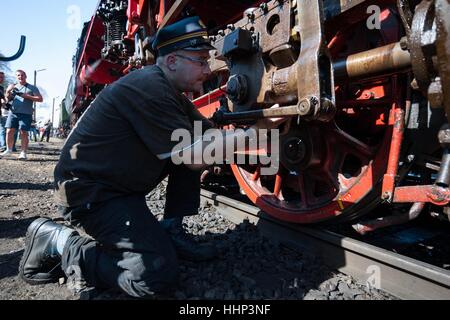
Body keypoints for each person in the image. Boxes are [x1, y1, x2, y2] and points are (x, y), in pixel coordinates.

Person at [19, 16, 283, 298]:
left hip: (119, 186)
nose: (208, 69)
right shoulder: (149, 86)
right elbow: (194, 157)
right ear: (171, 61)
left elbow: (210, 135)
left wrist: (261, 120)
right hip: (90, 194)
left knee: (194, 139)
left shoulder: (172, 93)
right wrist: (256, 133)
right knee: (153, 277)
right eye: (201, 60)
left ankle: (171, 230)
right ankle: (60, 241)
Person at [0, 70, 43, 160]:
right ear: (16, 77)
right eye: (18, 75)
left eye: (22, 75)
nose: (20, 77)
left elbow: (40, 99)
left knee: (23, 132)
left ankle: (23, 153)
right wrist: (8, 91)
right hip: (13, 112)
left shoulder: (32, 87)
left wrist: (27, 96)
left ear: (26, 76)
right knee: (9, 131)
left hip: (26, 113)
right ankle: (9, 149)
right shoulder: (13, 86)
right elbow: (8, 99)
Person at [0, 71, 7, 151]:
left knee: (2, 129)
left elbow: (3, 98)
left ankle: (2, 146)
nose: (1, 79)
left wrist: (4, 102)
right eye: (0, 77)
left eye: (2, 77)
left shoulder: (1, 88)